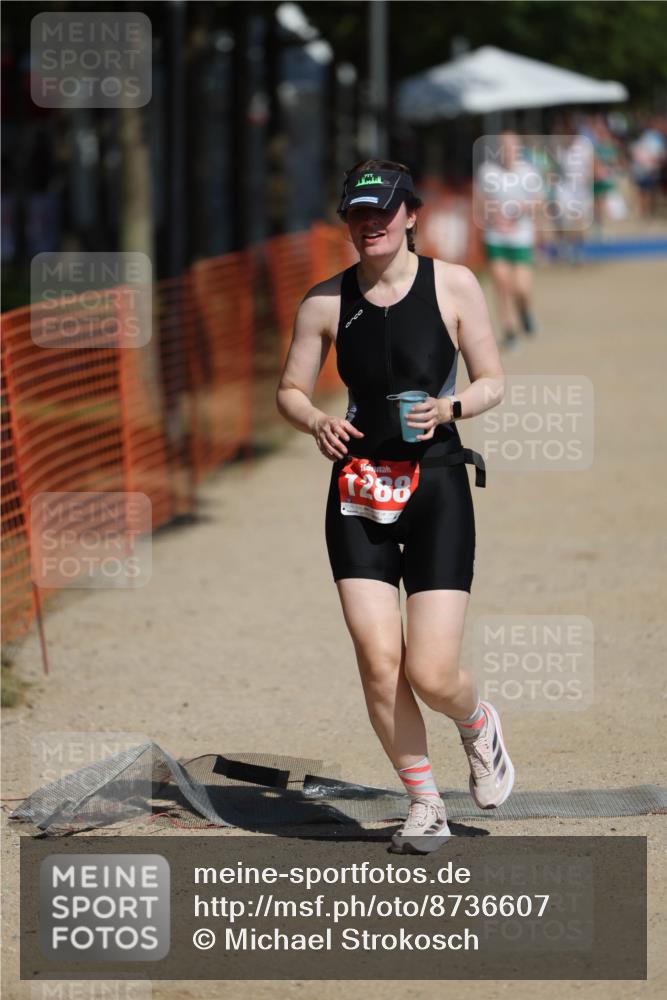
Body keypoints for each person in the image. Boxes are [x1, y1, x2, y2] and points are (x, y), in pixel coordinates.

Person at [276, 159, 514, 854]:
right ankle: (424, 803)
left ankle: (476, 725)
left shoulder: (454, 284)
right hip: (358, 489)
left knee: (430, 671)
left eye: (382, 211)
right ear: (346, 223)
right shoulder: (324, 302)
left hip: (436, 485)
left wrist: (450, 407)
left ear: (410, 214)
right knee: (379, 659)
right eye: (358, 214)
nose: (370, 224)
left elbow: (493, 379)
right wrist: (315, 420)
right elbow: (289, 391)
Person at [476, 131, 543, 349]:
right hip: (495, 237)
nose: (508, 151)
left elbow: (539, 202)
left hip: (521, 237)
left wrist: (522, 209)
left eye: (512, 146)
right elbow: (479, 201)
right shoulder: (487, 172)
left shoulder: (529, 172)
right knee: (502, 285)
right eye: (504, 146)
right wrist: (492, 214)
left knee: (521, 288)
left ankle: (525, 311)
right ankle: (509, 329)